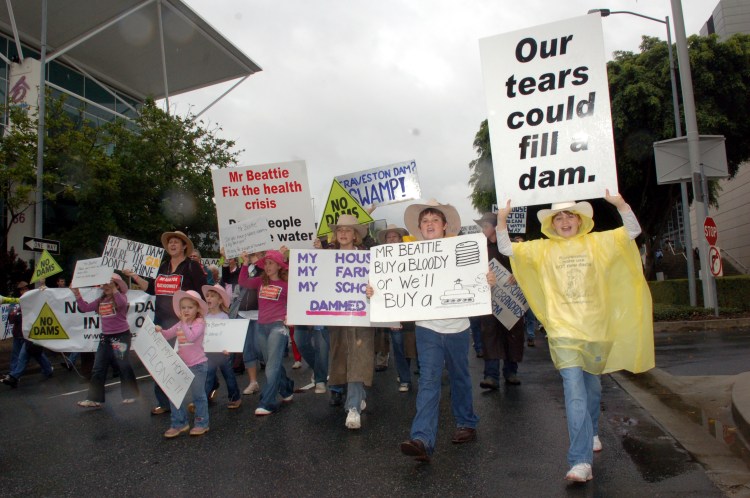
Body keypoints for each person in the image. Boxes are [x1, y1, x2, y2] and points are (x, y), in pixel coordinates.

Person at [496, 192, 654, 482]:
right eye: (559, 217)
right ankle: (580, 461)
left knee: (591, 387)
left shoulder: (598, 243)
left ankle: (592, 430)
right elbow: (507, 249)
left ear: (580, 220)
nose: (565, 221)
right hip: (563, 332)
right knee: (574, 391)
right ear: (551, 224)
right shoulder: (541, 249)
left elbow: (631, 231)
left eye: (570, 216)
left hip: (596, 331)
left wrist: (620, 203)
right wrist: (502, 219)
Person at [367, 200, 495, 461]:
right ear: (419, 228)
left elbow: (477, 283)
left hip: (458, 327)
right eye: (425, 221)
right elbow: (391, 279)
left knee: (459, 377)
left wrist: (488, 282)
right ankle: (422, 438)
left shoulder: (461, 248)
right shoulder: (407, 253)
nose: (429, 224)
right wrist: (375, 292)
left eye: (434, 220)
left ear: (445, 225)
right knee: (428, 380)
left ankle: (466, 422)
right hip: (427, 328)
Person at [124, 230, 207, 415]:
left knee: (189, 363)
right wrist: (135, 276)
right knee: (161, 363)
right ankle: (165, 403)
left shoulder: (192, 266)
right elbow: (152, 289)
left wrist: (197, 317)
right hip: (161, 321)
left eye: (177, 242)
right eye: (170, 242)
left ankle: (201, 395)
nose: (173, 245)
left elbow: (202, 292)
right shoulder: (163, 267)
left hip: (184, 322)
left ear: (184, 246)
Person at [315, 214, 374, 430]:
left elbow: (380, 285)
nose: (343, 233)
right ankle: (359, 395)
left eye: (348, 230)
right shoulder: (326, 259)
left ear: (356, 235)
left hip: (361, 317)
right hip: (337, 318)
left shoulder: (368, 258)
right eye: (340, 229)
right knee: (341, 357)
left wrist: (372, 290)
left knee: (358, 357)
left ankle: (353, 408)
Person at [238, 249, 294, 416]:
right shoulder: (260, 282)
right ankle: (286, 389)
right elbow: (243, 282)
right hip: (261, 326)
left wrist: (289, 317)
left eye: (271, 263)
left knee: (271, 366)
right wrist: (245, 263)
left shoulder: (286, 285)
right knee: (271, 362)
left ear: (278, 266)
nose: (268, 266)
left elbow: (296, 301)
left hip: (278, 327)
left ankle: (267, 402)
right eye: (266, 263)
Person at [72, 274, 139, 408]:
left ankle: (131, 394)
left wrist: (114, 288)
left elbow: (121, 303)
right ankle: (94, 399)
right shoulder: (101, 300)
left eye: (109, 283)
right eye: (104, 284)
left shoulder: (121, 297)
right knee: (98, 368)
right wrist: (77, 294)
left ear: (117, 286)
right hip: (106, 337)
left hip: (121, 336)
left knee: (123, 365)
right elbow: (85, 308)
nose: (106, 286)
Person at [475, 213, 525, 389]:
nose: (483, 229)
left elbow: (527, 267)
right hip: (490, 298)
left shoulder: (514, 246)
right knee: (489, 335)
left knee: (513, 335)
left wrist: (518, 276)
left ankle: (511, 372)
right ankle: (491, 375)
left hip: (512, 299)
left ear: (496, 227)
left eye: (486, 225)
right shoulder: (480, 248)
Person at [155, 290, 210, 437]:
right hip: (181, 365)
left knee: (199, 396)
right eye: (183, 307)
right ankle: (179, 423)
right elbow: (169, 334)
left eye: (190, 307)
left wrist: (184, 323)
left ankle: (201, 423)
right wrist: (160, 331)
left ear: (197, 309)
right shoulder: (180, 323)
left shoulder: (200, 323)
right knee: (175, 395)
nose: (186, 310)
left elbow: (191, 337)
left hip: (198, 365)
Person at [374, 224, 418, 392]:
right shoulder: (379, 259)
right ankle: (405, 378)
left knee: (411, 343)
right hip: (391, 309)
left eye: (395, 237)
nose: (392, 239)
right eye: (389, 237)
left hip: (411, 308)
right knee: (398, 344)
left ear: (401, 239)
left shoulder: (412, 255)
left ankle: (411, 372)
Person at [1, 281, 54, 388]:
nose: (23, 291)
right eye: (21, 290)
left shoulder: (33, 302)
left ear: (28, 289)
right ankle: (48, 369)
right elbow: (13, 319)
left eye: (25, 289)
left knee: (23, 356)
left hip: (30, 335)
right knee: (36, 355)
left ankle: (14, 376)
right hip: (19, 334)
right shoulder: (19, 303)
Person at [202, 284, 242, 409]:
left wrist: (228, 347)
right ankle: (202, 400)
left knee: (228, 374)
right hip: (209, 352)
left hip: (223, 353)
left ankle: (235, 397)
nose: (208, 298)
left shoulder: (224, 317)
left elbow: (228, 334)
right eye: (207, 296)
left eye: (212, 296)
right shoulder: (205, 317)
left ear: (220, 301)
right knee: (208, 374)